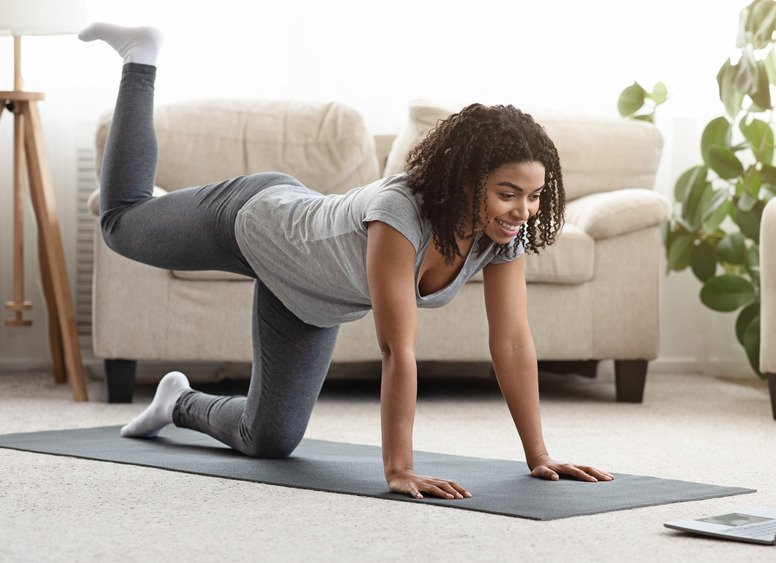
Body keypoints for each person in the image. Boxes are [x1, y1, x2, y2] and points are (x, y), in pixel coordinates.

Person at [79, 23, 614, 501]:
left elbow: (514, 342)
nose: (523, 211)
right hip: (254, 220)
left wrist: (538, 455)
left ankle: (177, 401)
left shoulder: (500, 236)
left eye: (536, 196)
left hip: (305, 295)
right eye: (507, 193)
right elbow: (395, 349)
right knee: (121, 225)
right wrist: (400, 469)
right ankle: (139, 59)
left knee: (268, 441)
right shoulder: (399, 213)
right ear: (468, 181)